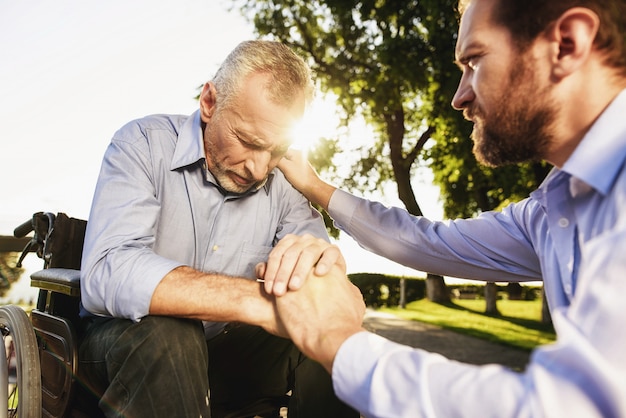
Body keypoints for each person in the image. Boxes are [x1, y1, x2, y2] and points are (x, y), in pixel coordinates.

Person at [257, 0, 626, 416]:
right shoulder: (553, 209)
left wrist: (336, 342)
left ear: (566, 44)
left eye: (475, 60)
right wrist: (316, 187)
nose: (459, 96)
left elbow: (566, 407)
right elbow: (426, 242)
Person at [78, 40, 358, 418]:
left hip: (225, 355)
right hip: (121, 347)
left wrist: (324, 276)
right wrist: (256, 302)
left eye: (276, 151)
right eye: (248, 142)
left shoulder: (283, 184)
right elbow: (108, 271)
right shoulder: (142, 144)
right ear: (209, 102)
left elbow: (333, 297)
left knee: (330, 341)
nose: (259, 169)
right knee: (173, 336)